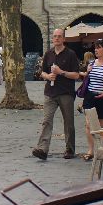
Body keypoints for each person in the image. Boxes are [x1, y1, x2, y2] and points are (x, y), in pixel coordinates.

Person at [33, 28, 79, 160]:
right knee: (46, 121)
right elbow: (42, 72)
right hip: (50, 93)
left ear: (64, 39)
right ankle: (42, 149)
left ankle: (70, 149)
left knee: (68, 123)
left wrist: (61, 72)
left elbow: (76, 75)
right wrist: (47, 76)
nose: (57, 38)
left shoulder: (71, 54)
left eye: (59, 36)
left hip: (66, 92)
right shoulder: (48, 54)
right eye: (55, 36)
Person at [80, 39, 103, 162]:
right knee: (89, 124)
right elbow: (87, 78)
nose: (96, 50)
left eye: (99, 47)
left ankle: (101, 149)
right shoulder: (91, 63)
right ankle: (90, 150)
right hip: (90, 96)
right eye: (95, 47)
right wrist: (87, 72)